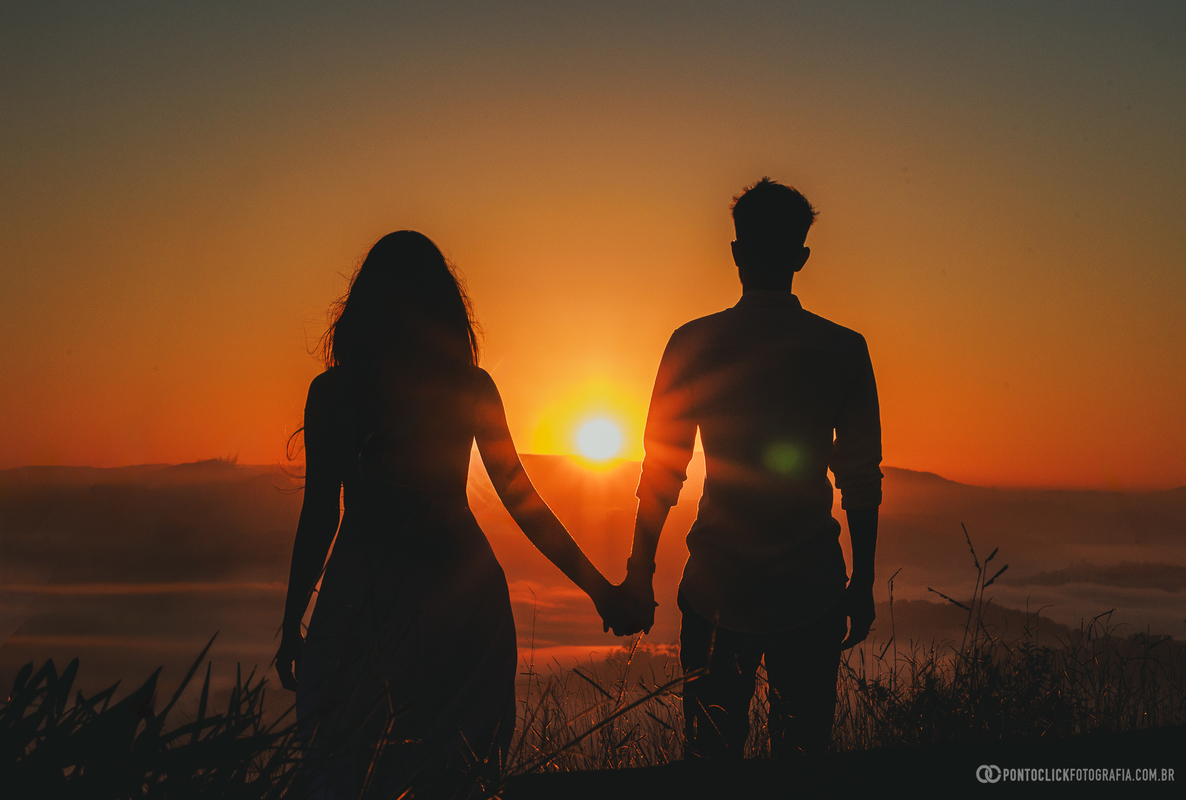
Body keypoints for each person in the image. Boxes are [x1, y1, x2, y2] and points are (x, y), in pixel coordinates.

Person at [273, 231, 620, 798]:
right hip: (460, 599)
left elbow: (320, 516)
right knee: (459, 775)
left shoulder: (333, 392)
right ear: (444, 307)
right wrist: (599, 589)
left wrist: (293, 625)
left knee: (350, 770)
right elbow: (523, 503)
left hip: (364, 597)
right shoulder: (469, 388)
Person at [614, 178, 883, 759]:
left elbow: (662, 471)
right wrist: (860, 584)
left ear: (737, 251)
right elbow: (860, 481)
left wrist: (640, 573)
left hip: (716, 589)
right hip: (811, 591)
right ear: (801, 258)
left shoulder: (693, 344)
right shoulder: (843, 350)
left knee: (709, 766)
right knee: (804, 763)